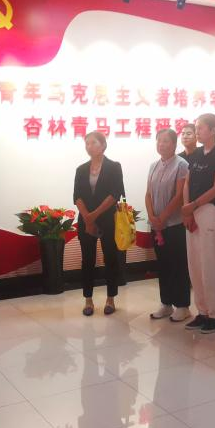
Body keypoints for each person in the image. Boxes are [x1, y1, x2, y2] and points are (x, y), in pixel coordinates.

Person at [182, 113, 215, 334]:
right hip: (192, 212)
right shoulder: (195, 154)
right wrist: (187, 209)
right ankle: (201, 311)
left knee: (210, 264)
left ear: (212, 131)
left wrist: (194, 204)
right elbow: (187, 183)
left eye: (200, 128)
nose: (197, 131)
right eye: (196, 128)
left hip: (211, 210)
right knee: (195, 264)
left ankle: (214, 315)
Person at [72, 131, 125, 316]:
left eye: (93, 143)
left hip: (107, 219)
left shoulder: (114, 166)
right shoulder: (81, 169)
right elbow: (77, 196)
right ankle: (88, 300)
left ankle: (110, 298)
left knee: (110, 258)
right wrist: (87, 217)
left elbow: (115, 194)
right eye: (87, 143)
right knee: (87, 260)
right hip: (86, 220)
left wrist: (93, 215)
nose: (89, 146)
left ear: (103, 145)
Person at [146, 128, 191, 323]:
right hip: (157, 225)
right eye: (159, 140)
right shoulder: (153, 165)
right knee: (163, 265)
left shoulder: (182, 164)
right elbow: (148, 194)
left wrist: (163, 217)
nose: (161, 144)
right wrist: (152, 216)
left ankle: (182, 306)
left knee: (178, 265)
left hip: (174, 224)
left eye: (166, 141)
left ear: (174, 144)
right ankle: (166, 304)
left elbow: (179, 195)